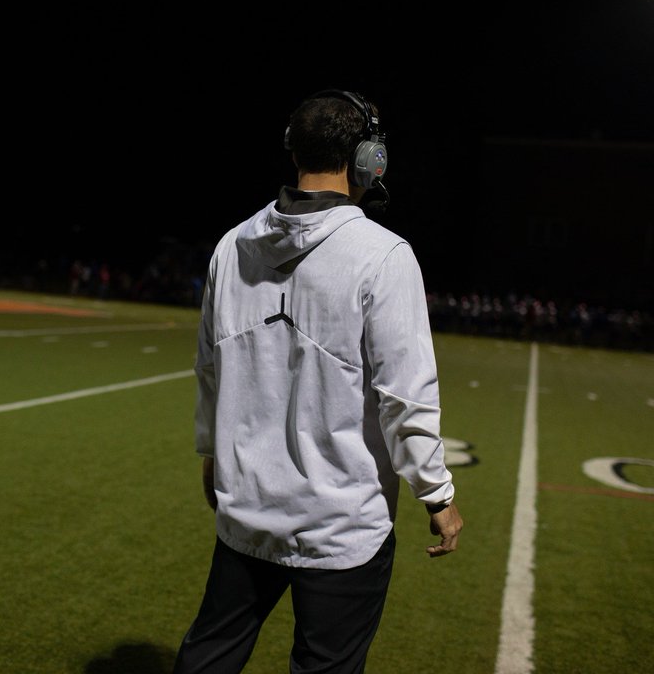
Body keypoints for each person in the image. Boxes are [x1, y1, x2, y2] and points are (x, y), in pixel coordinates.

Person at [172, 89, 463, 673]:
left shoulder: (232, 246)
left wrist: (211, 454)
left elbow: (210, 369)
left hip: (247, 512)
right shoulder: (384, 255)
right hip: (341, 525)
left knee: (208, 657)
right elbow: (404, 394)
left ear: (293, 149)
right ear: (367, 159)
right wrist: (436, 493)